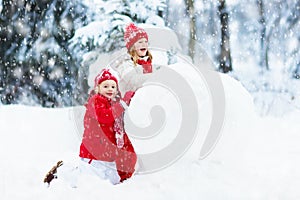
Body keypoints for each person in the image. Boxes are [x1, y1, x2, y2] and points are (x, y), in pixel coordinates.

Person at [78, 68, 137, 184]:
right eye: (105, 86)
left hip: (106, 157)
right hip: (93, 156)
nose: (110, 89)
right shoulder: (95, 101)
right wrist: (123, 104)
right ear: (97, 88)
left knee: (112, 182)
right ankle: (62, 175)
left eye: (113, 86)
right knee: (90, 182)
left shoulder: (112, 104)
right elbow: (105, 116)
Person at [116, 22, 160, 95]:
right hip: (128, 102)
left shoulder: (147, 62)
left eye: (146, 41)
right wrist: (154, 77)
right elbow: (133, 81)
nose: (144, 44)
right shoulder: (125, 63)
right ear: (132, 46)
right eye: (140, 42)